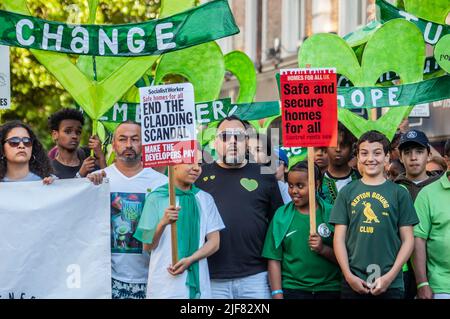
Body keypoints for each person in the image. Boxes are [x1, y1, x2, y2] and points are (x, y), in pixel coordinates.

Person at [195, 115, 284, 299]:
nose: (233, 142)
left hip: (256, 277)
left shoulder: (265, 174)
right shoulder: (200, 177)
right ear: (216, 142)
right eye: (226, 136)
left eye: (239, 136)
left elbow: (277, 225)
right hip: (211, 276)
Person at [330, 130, 419, 299]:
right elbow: (339, 239)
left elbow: (408, 240)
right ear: (357, 157)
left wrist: (390, 277)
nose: (370, 158)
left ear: (387, 158)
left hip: (390, 282)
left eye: (377, 153)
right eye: (364, 153)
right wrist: (348, 276)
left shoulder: (399, 193)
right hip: (354, 281)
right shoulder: (346, 193)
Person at [90, 121, 167, 299]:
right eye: (123, 139)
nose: (129, 145)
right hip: (108, 280)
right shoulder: (99, 180)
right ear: (114, 145)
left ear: (144, 144)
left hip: (153, 279)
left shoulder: (161, 183)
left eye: (135, 139)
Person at [134, 150, 225, 299]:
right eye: (190, 162)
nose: (196, 168)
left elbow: (214, 243)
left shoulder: (205, 198)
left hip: (199, 284)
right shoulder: (156, 198)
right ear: (174, 164)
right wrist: (163, 223)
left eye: (199, 163)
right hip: (164, 285)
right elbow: (147, 246)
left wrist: (190, 260)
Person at [262, 161, 341, 299]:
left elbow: (345, 257)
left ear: (316, 185)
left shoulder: (332, 213)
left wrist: (323, 249)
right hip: (293, 289)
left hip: (329, 289)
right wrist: (277, 293)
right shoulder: (281, 215)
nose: (294, 191)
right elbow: (274, 258)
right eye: (290, 185)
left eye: (300, 186)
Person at [413, 139, 450, 299]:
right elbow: (418, 239)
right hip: (441, 286)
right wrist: (422, 283)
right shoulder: (427, 194)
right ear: (447, 159)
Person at [48, 108, 106, 179]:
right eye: (68, 131)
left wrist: (101, 156)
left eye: (78, 132)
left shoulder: (90, 166)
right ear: (55, 135)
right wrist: (80, 174)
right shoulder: (48, 170)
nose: (75, 136)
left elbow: (107, 186)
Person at [321, 122, 361, 205]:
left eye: (344, 145)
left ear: (351, 148)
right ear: (325, 148)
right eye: (333, 145)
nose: (338, 149)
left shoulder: (361, 179)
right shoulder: (316, 182)